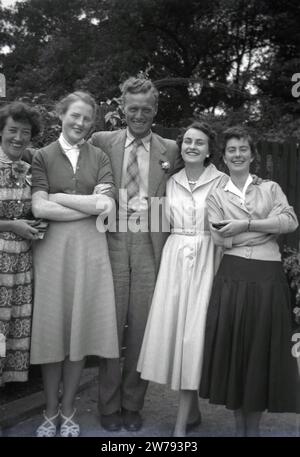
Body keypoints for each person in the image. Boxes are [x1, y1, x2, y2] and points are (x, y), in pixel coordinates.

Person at [89, 76, 183, 431]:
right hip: (110, 239)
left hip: (149, 242)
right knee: (109, 327)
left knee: (141, 330)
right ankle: (108, 405)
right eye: (133, 109)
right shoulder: (101, 141)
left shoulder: (171, 149)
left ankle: (132, 404)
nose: (139, 115)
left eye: (146, 109)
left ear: (155, 110)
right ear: (122, 107)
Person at [199, 126, 299, 436]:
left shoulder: (270, 188)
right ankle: (239, 430)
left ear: (252, 154)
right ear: (224, 157)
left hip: (268, 280)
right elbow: (220, 239)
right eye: (232, 150)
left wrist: (245, 224)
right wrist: (266, 231)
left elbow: (290, 221)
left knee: (258, 355)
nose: (238, 154)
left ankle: (252, 432)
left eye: (243, 149)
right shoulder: (215, 195)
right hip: (232, 278)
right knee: (236, 355)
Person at [30, 91, 119, 437]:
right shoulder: (42, 156)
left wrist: (58, 197)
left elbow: (106, 207)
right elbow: (39, 210)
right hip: (52, 253)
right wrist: (84, 204)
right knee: (53, 333)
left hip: (90, 252)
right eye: (74, 116)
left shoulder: (99, 155)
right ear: (61, 115)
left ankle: (69, 411)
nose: (80, 123)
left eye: (86, 118)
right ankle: (50, 410)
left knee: (80, 332)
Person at [137, 122, 228, 436]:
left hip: (207, 258)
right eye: (187, 141)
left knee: (194, 338)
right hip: (175, 258)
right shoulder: (170, 181)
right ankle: (192, 413)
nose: (192, 146)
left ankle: (180, 425)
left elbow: (228, 229)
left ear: (208, 149)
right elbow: (158, 221)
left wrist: (220, 270)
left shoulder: (222, 181)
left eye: (199, 142)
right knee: (177, 335)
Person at [0, 101, 41, 387]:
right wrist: (11, 226)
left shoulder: (30, 168)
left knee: (12, 327)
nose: (18, 137)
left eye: (24, 132)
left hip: (21, 263)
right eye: (12, 130)